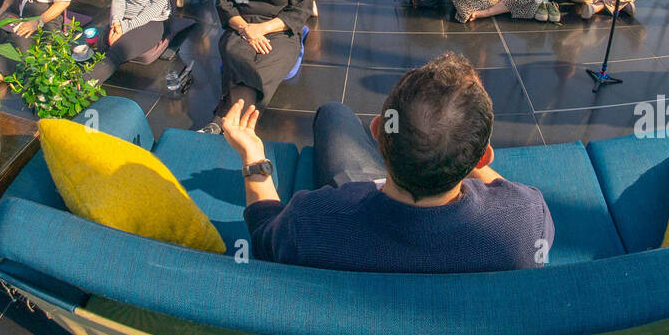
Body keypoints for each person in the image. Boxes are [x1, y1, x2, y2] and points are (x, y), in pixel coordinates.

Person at [219, 52, 555, 273]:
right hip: (416, 174)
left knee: (334, 113)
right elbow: (500, 184)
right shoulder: (524, 221)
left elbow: (264, 234)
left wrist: (253, 157)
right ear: (483, 157)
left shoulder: (314, 220)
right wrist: (457, 150)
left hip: (361, 188)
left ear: (378, 132)